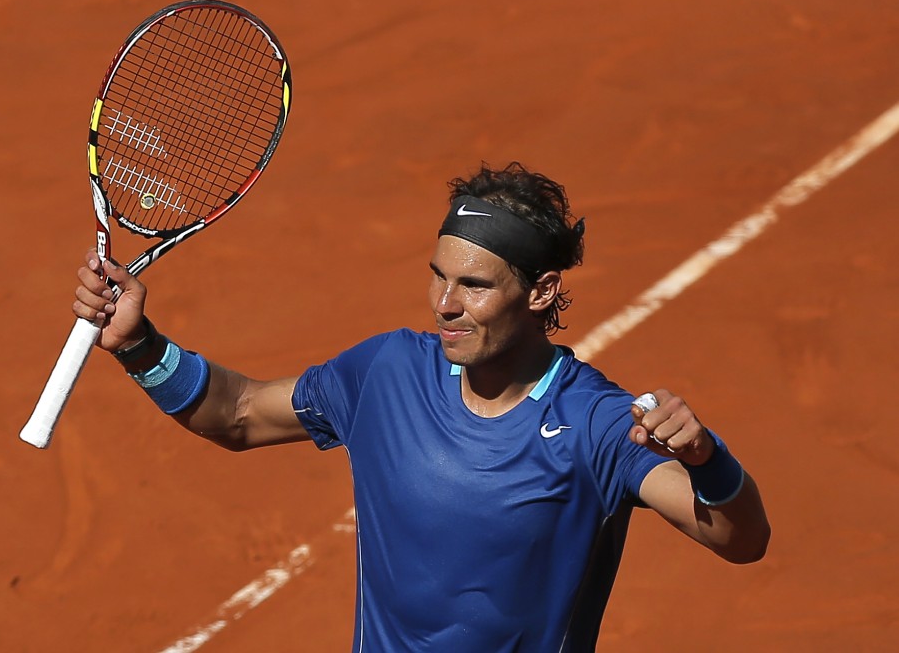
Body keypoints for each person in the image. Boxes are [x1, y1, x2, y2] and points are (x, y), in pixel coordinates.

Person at [73, 161, 770, 652]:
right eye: (438, 277)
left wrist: (707, 460)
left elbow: (740, 540)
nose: (444, 305)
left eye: (473, 286)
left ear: (541, 292)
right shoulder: (388, 372)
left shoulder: (595, 424)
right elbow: (241, 414)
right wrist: (140, 347)